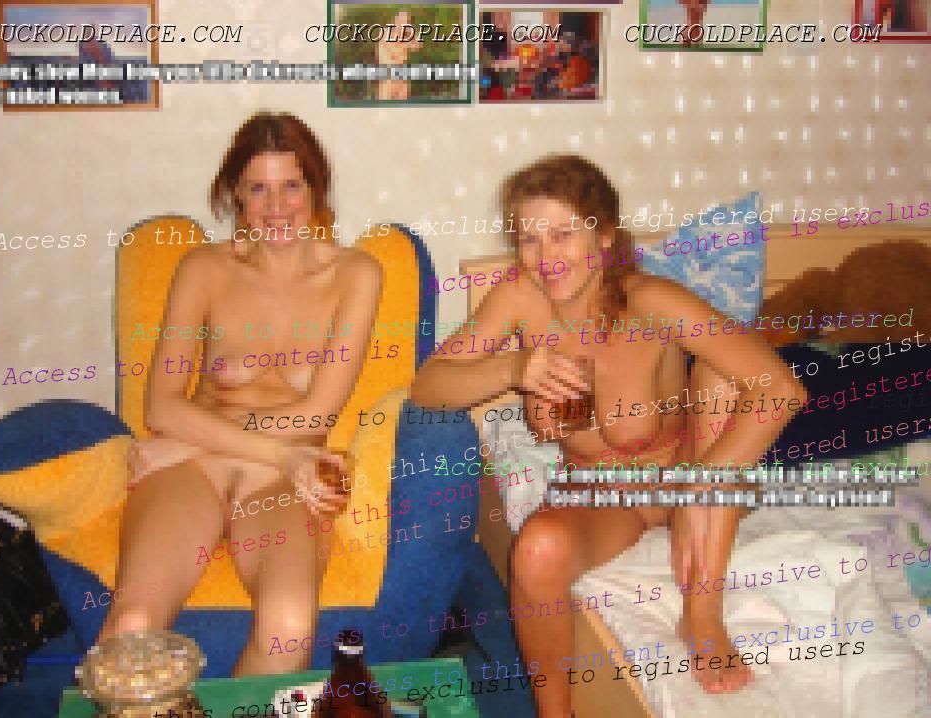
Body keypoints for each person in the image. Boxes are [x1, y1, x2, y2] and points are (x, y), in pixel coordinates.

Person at [408, 154, 806, 715]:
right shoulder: (520, 297)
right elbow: (428, 386)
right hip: (602, 493)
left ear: (604, 235)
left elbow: (781, 389)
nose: (546, 257)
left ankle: (703, 614)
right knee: (536, 549)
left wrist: (707, 478)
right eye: (529, 239)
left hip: (685, 476)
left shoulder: (652, 300)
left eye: (563, 234)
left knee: (720, 378)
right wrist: (514, 370)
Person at [98, 112, 383, 677]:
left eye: (291, 185)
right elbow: (161, 405)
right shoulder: (204, 268)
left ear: (316, 188)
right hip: (225, 469)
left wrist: (192, 442)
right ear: (235, 193)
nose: (276, 207)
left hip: (276, 478)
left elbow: (316, 414)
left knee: (288, 630)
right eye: (257, 189)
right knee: (132, 626)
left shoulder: (357, 275)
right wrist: (273, 453)